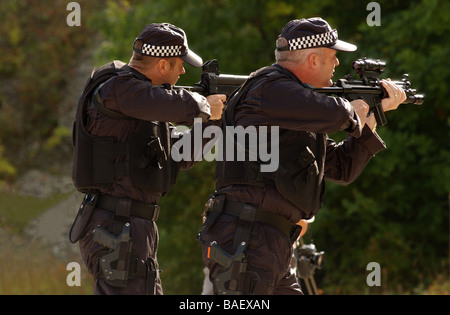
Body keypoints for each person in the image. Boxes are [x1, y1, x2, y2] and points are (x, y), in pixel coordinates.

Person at [199, 17, 406, 295]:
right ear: (313, 59)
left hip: (271, 242)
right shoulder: (269, 87)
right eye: (332, 57)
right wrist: (354, 110)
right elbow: (337, 113)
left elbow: (341, 168)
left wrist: (370, 117)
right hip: (246, 237)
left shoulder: (298, 111)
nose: (336, 65)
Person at [69, 23, 226, 295]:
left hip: (131, 228)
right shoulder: (118, 88)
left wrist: (214, 123)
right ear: (163, 65)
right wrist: (203, 105)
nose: (183, 71)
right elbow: (173, 105)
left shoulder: (144, 105)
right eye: (180, 64)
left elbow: (182, 154)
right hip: (117, 225)